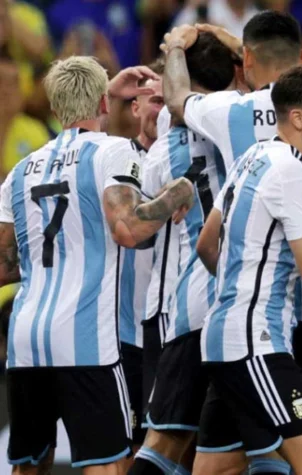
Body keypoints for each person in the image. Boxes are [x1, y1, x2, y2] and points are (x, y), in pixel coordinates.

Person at [162, 12, 302, 475]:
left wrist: (177, 45)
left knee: (232, 456)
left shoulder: (232, 118)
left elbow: (176, 99)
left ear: (247, 59)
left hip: (253, 315)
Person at [0, 55, 194, 474]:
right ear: (105, 104)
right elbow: (127, 227)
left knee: (29, 466)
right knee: (108, 465)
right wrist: (177, 193)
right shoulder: (113, 150)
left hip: (26, 342)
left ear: (54, 108)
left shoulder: (20, 171)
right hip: (86, 339)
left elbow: (2, 266)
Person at [193, 65, 302, 475]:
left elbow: (206, 244)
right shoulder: (292, 171)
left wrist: (238, 286)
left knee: (218, 469)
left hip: (221, 339)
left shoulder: (253, 156)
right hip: (255, 342)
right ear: (298, 118)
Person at [130, 32, 238, 475]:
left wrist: (177, 45)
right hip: (242, 305)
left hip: (182, 306)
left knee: (166, 442)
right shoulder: (246, 121)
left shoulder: (164, 144)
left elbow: (140, 227)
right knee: (245, 450)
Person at [119, 67, 164, 462]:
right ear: (135, 107)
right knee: (132, 453)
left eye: (169, 102)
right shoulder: (114, 160)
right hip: (128, 335)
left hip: (179, 330)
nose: (162, 111)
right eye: (155, 101)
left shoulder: (195, 160)